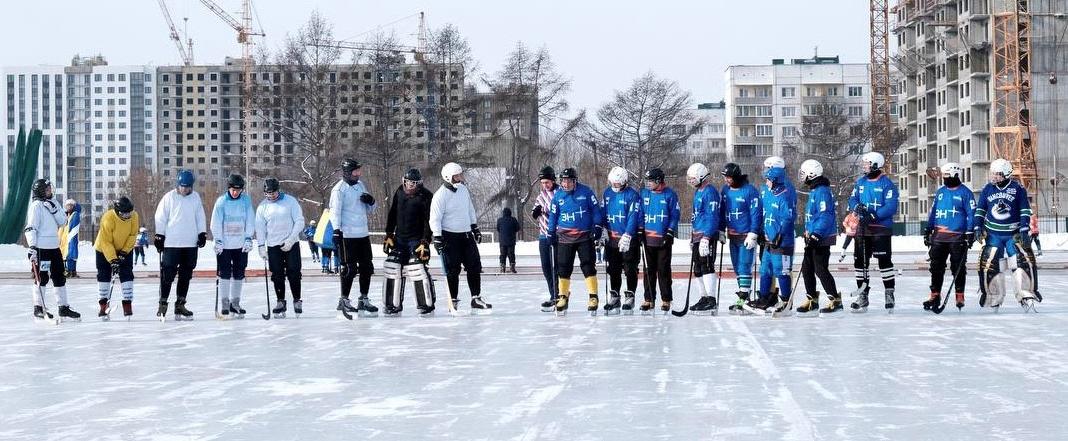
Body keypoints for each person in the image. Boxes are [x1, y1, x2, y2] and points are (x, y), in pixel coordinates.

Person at [973, 158, 1038, 310]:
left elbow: (1024, 211)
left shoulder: (1018, 189)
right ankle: (994, 295)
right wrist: (977, 226)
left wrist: (1023, 229)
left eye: (998, 174)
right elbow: (981, 210)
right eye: (993, 173)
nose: (994, 177)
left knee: (1021, 262)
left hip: (1012, 233)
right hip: (993, 234)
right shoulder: (988, 189)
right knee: (991, 264)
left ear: (1007, 174)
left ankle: (1025, 293)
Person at [430, 162, 492, 314]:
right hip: (449, 237)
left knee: (474, 266)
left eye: (460, 175)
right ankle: (453, 300)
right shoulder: (440, 195)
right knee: (453, 270)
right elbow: (435, 218)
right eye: (457, 176)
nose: (460, 178)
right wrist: (437, 237)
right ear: (448, 177)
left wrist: (474, 227)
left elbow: (469, 209)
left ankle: (476, 297)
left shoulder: (463, 190)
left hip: (466, 235)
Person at [545, 167, 603, 315]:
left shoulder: (586, 192)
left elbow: (596, 210)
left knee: (588, 266)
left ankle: (593, 296)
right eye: (563, 181)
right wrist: (550, 232)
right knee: (563, 267)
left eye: (568, 181)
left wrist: (597, 225)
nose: (565, 184)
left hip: (584, 236)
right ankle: (563, 296)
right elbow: (553, 216)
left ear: (574, 181)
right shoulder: (558, 196)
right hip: (564, 237)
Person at [846, 151, 899, 313]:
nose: (864, 167)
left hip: (880, 229)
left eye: (867, 164)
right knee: (860, 262)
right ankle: (863, 295)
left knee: (884, 261)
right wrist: (857, 207)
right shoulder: (860, 182)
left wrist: (874, 215)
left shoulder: (887, 184)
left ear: (876, 165)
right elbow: (853, 199)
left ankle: (889, 293)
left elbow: (891, 206)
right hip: (863, 229)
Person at [154, 169, 208, 321]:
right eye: (182, 186)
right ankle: (163, 303)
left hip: (190, 244)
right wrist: (159, 235)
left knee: (185, 276)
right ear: (178, 184)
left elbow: (200, 216)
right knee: (168, 275)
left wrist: (202, 233)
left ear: (192, 186)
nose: (185, 189)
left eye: (188, 186)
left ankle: (180, 304)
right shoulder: (169, 197)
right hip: (172, 243)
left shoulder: (195, 198)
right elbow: (160, 217)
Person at [922, 163, 976, 312]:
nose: (944, 178)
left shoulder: (966, 193)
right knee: (936, 268)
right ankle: (935, 294)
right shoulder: (940, 192)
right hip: (939, 237)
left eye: (946, 175)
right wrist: (928, 228)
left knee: (957, 267)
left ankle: (959, 294)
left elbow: (972, 214)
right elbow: (934, 212)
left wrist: (970, 232)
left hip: (957, 237)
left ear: (954, 174)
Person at [383, 168, 436, 316]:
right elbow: (393, 212)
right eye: (407, 182)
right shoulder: (399, 191)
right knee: (392, 267)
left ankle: (426, 305)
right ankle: (391, 305)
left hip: (416, 240)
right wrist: (389, 233)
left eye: (412, 183)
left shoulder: (426, 196)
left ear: (418, 184)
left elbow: (428, 221)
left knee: (416, 269)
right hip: (399, 239)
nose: (409, 186)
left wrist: (425, 241)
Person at [744, 166, 797, 315]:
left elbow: (788, 218)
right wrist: (761, 232)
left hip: (782, 242)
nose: (766, 182)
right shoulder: (768, 194)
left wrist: (780, 235)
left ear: (775, 181)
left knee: (782, 271)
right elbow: (765, 215)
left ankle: (786, 302)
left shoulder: (784, 197)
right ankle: (764, 298)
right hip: (768, 241)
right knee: (765, 270)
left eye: (768, 179)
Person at [330, 158, 379, 318]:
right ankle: (343, 299)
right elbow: (334, 212)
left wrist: (371, 201)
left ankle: (363, 298)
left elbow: (371, 209)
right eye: (355, 171)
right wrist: (336, 230)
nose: (358, 174)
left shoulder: (360, 185)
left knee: (367, 267)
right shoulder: (339, 190)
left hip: (362, 234)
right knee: (350, 269)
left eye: (359, 171)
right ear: (346, 172)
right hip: (347, 234)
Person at [25, 179, 80, 321]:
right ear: (40, 191)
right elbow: (31, 227)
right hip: (41, 248)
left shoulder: (54, 202)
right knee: (42, 277)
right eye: (47, 189)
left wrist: (54, 209)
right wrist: (32, 247)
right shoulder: (36, 206)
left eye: (50, 189)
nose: (50, 191)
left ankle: (63, 307)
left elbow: (63, 221)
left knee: (59, 276)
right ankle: (38, 307)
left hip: (54, 247)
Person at [796, 160, 842, 315]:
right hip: (814, 236)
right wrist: (808, 231)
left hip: (822, 237)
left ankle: (835, 300)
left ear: (811, 174)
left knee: (820, 269)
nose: (802, 176)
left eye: (804, 172)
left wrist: (816, 233)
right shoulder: (814, 191)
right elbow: (813, 217)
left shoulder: (822, 191)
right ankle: (812, 300)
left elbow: (825, 215)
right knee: (807, 268)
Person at [256, 177, 305, 318]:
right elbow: (260, 228)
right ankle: (280, 301)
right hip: (273, 245)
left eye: (273, 193)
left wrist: (290, 239)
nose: (271, 195)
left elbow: (299, 221)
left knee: (294, 272)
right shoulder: (262, 207)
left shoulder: (290, 202)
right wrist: (261, 246)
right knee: (277, 275)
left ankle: (297, 299)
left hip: (291, 243)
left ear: (278, 190)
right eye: (268, 193)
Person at [718, 162, 762, 314]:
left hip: (746, 236)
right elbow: (722, 211)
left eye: (729, 177)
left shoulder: (750, 191)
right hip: (733, 235)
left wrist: (753, 232)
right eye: (725, 177)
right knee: (737, 267)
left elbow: (756, 213)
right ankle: (744, 296)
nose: (726, 180)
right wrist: (721, 230)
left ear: (736, 176)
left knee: (744, 266)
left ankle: (744, 298)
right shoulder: (725, 191)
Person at [210, 174, 255, 319]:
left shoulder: (246, 201)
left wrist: (249, 237)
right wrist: (217, 240)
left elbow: (250, 220)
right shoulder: (221, 202)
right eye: (233, 189)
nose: (236, 192)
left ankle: (235, 302)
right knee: (224, 273)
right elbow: (215, 222)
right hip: (225, 244)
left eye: (238, 190)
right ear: (228, 188)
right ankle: (224, 302)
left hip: (240, 244)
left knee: (239, 273)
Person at [639, 168, 681, 314]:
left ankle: (666, 299)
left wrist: (670, 232)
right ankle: (648, 299)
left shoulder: (670, 194)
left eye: (650, 181)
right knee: (648, 270)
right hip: (648, 238)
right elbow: (640, 213)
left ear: (658, 181)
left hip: (663, 239)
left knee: (663, 270)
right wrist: (640, 230)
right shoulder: (644, 194)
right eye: (647, 180)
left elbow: (675, 215)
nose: (648, 183)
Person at [601, 166, 641, 314]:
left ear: (624, 182)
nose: (615, 186)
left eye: (617, 184)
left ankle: (630, 295)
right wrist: (603, 229)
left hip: (628, 239)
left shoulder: (632, 195)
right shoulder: (607, 193)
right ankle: (614, 295)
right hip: (612, 238)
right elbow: (603, 213)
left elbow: (633, 216)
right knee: (613, 269)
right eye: (613, 183)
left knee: (630, 268)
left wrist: (628, 234)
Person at [94, 197, 139, 320]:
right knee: (104, 275)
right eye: (124, 213)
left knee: (127, 274)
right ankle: (103, 305)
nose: (127, 215)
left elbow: (133, 235)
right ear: (118, 211)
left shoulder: (134, 216)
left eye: (129, 212)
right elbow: (106, 242)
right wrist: (113, 260)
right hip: (104, 250)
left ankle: (127, 304)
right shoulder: (108, 218)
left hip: (125, 249)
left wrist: (124, 252)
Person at [685, 163, 722, 314]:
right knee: (698, 267)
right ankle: (704, 296)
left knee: (706, 265)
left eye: (693, 178)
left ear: (701, 177)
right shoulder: (698, 192)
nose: (691, 181)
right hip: (697, 235)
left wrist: (707, 237)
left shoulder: (710, 192)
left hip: (707, 235)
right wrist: (692, 236)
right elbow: (697, 215)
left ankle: (711, 299)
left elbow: (713, 217)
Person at [531, 166, 559, 311]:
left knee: (556, 267)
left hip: (556, 234)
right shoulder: (541, 195)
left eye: (547, 182)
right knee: (546, 267)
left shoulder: (559, 194)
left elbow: (559, 213)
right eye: (542, 183)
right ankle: (552, 294)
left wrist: (546, 211)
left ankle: (558, 295)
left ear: (553, 180)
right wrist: (536, 211)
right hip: (543, 235)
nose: (545, 185)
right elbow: (535, 212)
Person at [60, 198, 81, 278]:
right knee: (65, 255)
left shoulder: (75, 214)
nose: (68, 207)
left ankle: (71, 271)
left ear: (73, 206)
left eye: (70, 205)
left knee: (71, 254)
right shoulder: (66, 215)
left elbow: (72, 227)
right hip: (65, 239)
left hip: (71, 238)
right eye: (67, 206)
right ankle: (69, 270)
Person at [496, 207, 519, 273]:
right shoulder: (513, 220)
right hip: (511, 241)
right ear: (510, 213)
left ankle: (502, 268)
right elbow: (518, 228)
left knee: (502, 254)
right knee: (511, 254)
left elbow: (498, 229)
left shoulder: (500, 220)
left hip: (502, 241)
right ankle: (512, 268)